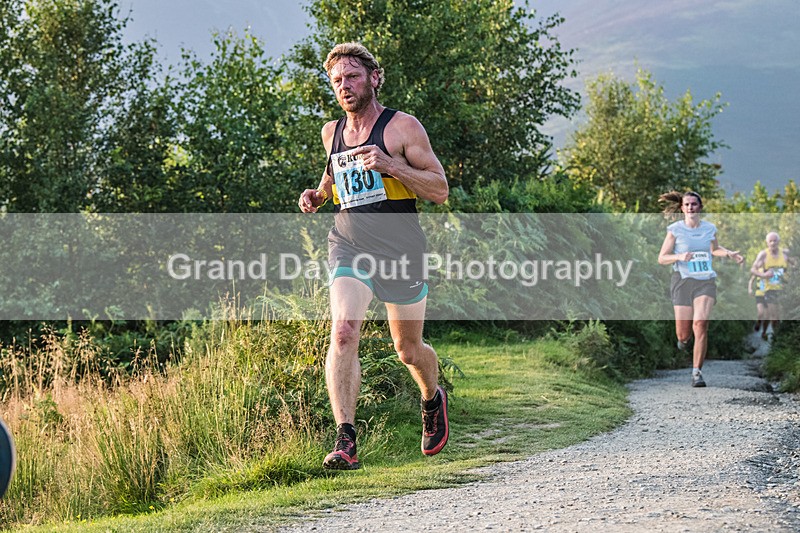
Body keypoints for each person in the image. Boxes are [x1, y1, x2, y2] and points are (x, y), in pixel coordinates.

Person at [298, 42, 450, 469]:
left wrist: (391, 166)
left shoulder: (403, 128)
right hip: (349, 244)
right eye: (336, 81)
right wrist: (318, 194)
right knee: (344, 331)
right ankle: (346, 438)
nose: (344, 86)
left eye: (352, 77)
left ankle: (431, 398)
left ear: (374, 78)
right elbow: (333, 178)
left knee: (407, 348)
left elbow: (439, 190)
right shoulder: (332, 132)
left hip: (401, 248)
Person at [658, 191, 744, 387]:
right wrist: (679, 257)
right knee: (683, 334)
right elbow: (662, 257)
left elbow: (714, 249)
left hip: (705, 280)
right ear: (682, 208)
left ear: (700, 207)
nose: (690, 208)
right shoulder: (675, 229)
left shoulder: (709, 228)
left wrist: (729, 253)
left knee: (701, 323)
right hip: (682, 280)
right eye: (687, 204)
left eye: (694, 204)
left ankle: (697, 373)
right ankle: (683, 341)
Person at [750, 232, 796, 340]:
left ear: (778, 242)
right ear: (767, 243)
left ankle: (785, 338)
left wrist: (793, 270)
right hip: (770, 289)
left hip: (785, 290)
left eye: (775, 240)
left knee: (783, 316)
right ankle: (778, 339)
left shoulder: (785, 253)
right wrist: (763, 274)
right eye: (770, 241)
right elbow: (753, 269)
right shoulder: (764, 254)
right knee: (774, 317)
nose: (773, 243)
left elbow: (795, 263)